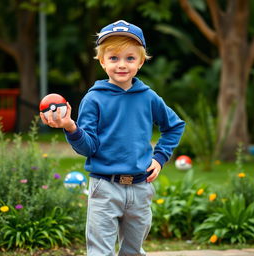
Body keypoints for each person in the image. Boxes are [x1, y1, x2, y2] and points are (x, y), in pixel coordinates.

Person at [40, 20, 185, 256]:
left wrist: (159, 157)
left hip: (140, 187)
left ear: (140, 61)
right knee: (100, 252)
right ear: (102, 61)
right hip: (105, 187)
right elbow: (89, 147)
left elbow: (175, 126)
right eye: (114, 58)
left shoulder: (148, 97)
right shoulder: (94, 99)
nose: (122, 65)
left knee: (133, 251)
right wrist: (70, 126)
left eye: (130, 58)